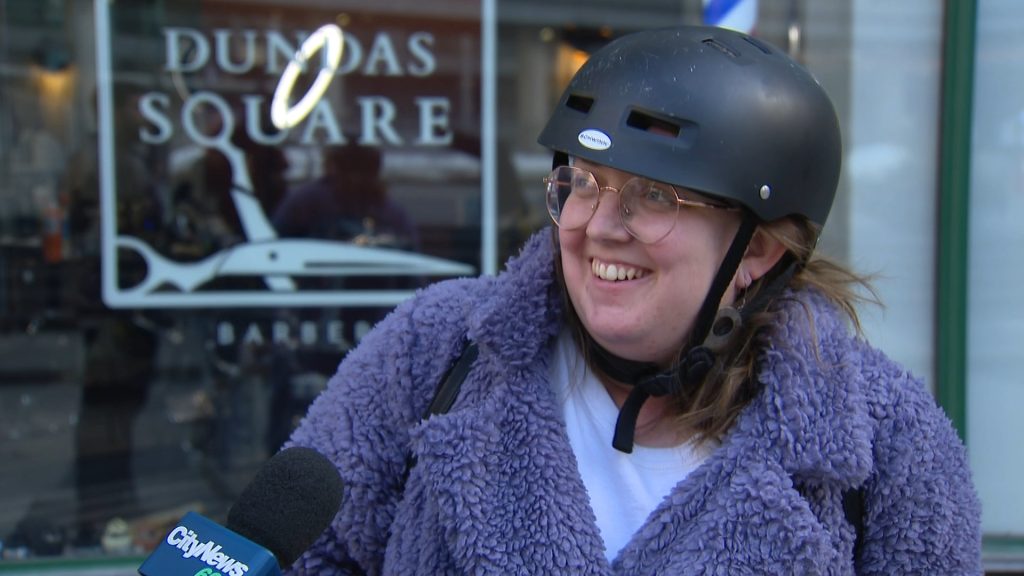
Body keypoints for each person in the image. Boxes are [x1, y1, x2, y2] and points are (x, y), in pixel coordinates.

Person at [283, 26, 981, 574]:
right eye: (583, 183)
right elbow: (302, 557)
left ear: (759, 250)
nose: (596, 228)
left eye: (654, 196)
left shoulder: (885, 445)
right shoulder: (439, 351)